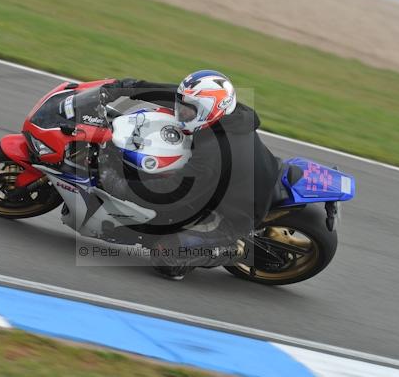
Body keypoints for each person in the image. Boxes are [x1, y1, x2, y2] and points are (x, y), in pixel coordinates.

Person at [98, 70, 279, 280]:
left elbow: (173, 191)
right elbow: (169, 93)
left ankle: (235, 247)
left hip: (233, 214)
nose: (180, 112)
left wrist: (118, 185)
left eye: (187, 110)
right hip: (232, 180)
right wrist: (124, 87)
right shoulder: (224, 111)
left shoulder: (215, 151)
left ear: (208, 111)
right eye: (181, 105)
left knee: (166, 257)